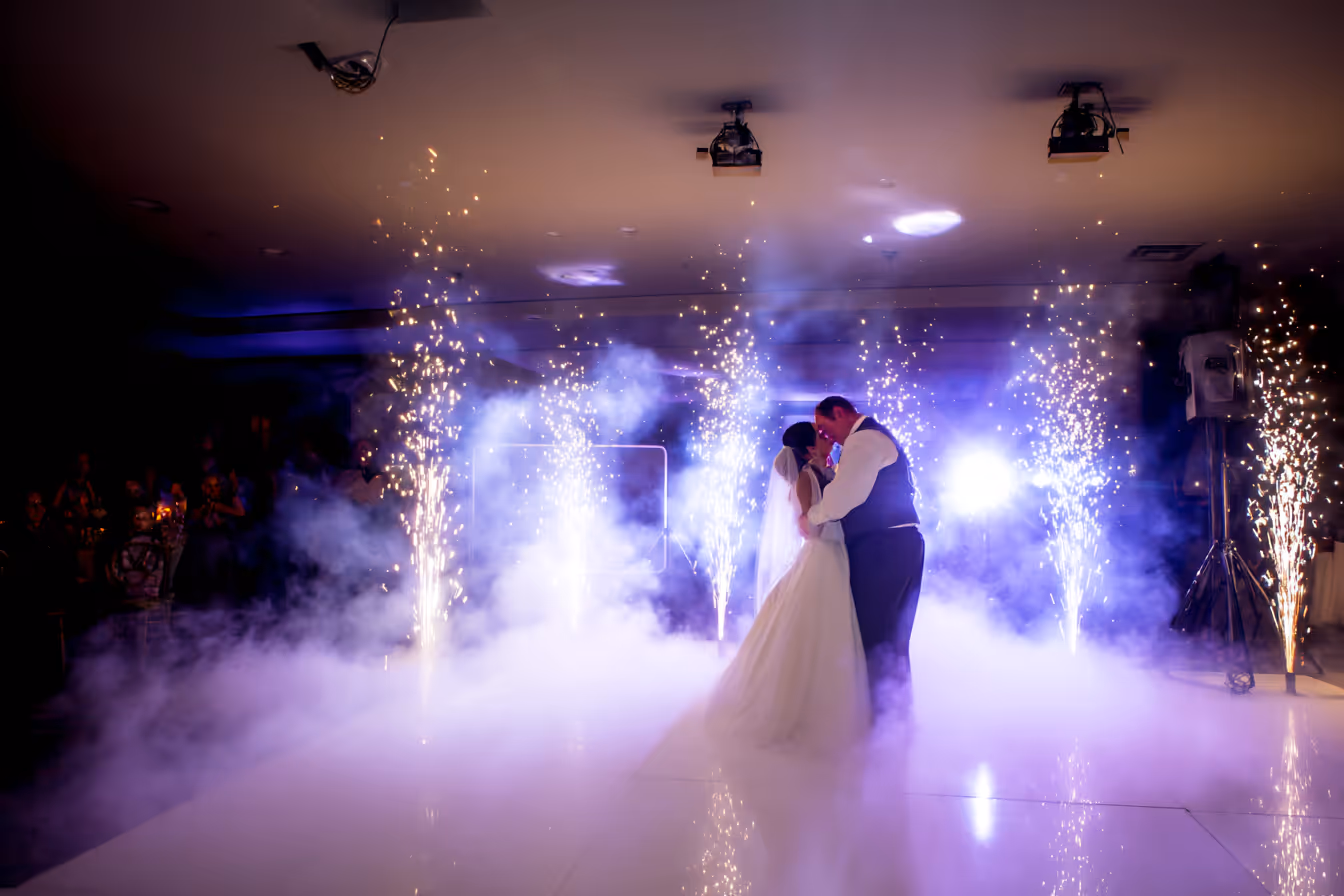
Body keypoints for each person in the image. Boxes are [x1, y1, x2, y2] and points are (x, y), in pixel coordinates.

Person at [705, 422, 869, 755]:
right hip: (824, 557)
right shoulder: (807, 479)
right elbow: (810, 528)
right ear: (809, 449)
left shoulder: (821, 473)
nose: (828, 441)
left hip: (833, 556)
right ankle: (808, 713)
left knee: (824, 630)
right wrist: (830, 513)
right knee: (820, 631)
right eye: (821, 438)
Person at [808, 396, 924, 715]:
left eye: (824, 426)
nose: (824, 435)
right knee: (892, 640)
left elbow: (846, 496)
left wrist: (812, 517)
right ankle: (895, 721)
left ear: (841, 413)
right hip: (899, 543)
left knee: (874, 638)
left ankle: (881, 723)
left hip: (883, 547)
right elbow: (855, 486)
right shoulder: (871, 439)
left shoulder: (864, 439)